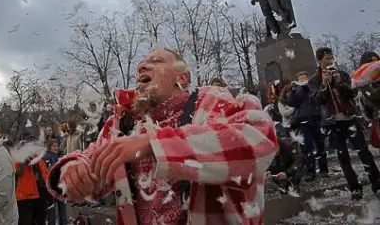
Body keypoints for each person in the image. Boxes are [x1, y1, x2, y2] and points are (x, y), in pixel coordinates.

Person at [47, 48, 277, 225]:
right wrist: (72, 171)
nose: (142, 68)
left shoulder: (218, 101)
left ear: (182, 78)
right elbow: (91, 163)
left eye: (156, 61)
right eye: (139, 67)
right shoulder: (122, 124)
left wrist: (153, 143)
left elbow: (260, 143)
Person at [309, 47, 380, 200]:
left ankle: (377, 184)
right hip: (331, 123)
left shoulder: (342, 74)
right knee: (343, 157)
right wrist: (325, 84)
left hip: (350, 118)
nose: (329, 61)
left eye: (331, 58)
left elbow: (352, 92)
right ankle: (355, 188)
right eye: (326, 59)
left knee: (364, 153)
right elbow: (317, 100)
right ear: (319, 61)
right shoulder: (314, 80)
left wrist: (339, 83)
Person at [287, 71, 328, 182]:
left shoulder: (313, 88)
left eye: (305, 79)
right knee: (307, 149)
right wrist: (293, 90)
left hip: (316, 120)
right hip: (304, 122)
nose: (303, 81)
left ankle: (324, 169)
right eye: (301, 80)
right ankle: (310, 172)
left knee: (320, 146)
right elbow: (291, 103)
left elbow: (320, 98)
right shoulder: (299, 92)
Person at [14, 138, 49, 225]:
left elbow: (45, 176)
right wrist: (23, 161)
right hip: (23, 197)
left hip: (40, 196)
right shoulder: (17, 159)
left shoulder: (39, 160)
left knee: (40, 221)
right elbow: (16, 172)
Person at [44, 139, 68, 225]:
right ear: (49, 146)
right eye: (54, 146)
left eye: (57, 146)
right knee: (52, 209)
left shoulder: (58, 156)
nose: (56, 148)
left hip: (61, 185)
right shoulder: (46, 157)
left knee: (63, 209)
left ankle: (64, 223)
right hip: (51, 186)